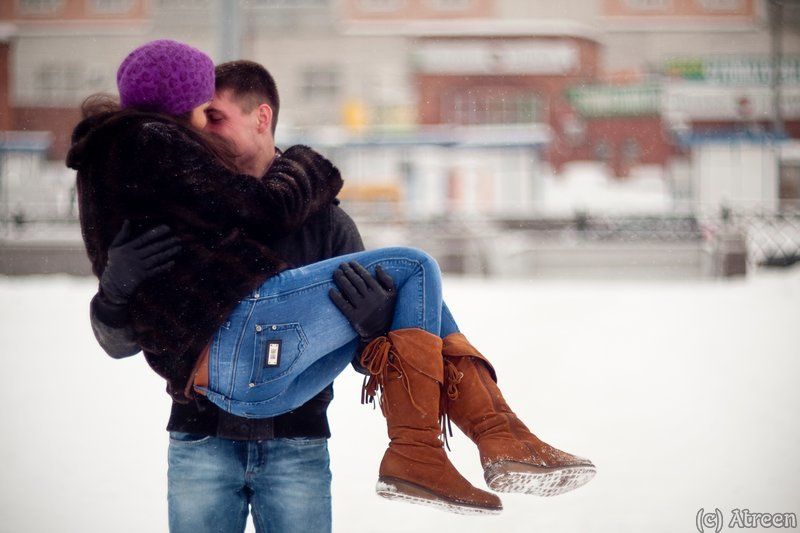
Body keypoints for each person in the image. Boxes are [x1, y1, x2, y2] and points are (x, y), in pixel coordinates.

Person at [70, 40, 595, 527]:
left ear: (262, 117)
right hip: (200, 435)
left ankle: (479, 438)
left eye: (217, 117)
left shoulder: (325, 224)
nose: (202, 130)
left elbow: (368, 351)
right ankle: (474, 437)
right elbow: (122, 342)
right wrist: (115, 290)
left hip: (295, 441)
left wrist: (371, 328)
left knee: (413, 279)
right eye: (198, 116)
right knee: (415, 267)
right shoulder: (184, 195)